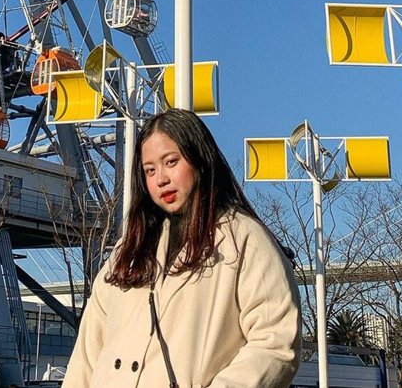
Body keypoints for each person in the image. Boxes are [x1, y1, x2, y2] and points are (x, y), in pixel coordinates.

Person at [64, 109, 302, 387]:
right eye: (150, 170)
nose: (160, 178)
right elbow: (87, 354)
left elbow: (275, 343)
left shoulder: (244, 239)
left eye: (171, 162)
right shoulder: (127, 251)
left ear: (200, 160)